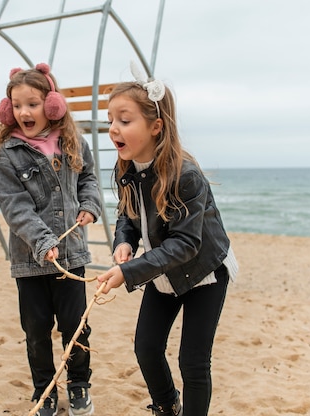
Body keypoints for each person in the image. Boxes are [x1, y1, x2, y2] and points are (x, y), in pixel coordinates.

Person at [96, 64, 238, 416]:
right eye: (111, 119)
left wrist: (129, 274)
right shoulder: (124, 167)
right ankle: (166, 405)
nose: (114, 128)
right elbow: (127, 214)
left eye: (125, 120)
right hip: (162, 269)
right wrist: (123, 242)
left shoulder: (184, 175)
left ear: (156, 126)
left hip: (205, 271)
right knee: (146, 347)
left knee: (192, 361)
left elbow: (186, 244)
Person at [0, 63, 101, 416]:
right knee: (36, 331)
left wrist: (89, 206)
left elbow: (89, 178)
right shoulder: (7, 154)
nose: (24, 112)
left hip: (72, 256)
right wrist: (42, 240)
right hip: (30, 260)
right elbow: (15, 207)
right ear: (8, 109)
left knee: (76, 327)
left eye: (33, 104)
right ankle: (44, 390)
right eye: (17, 105)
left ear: (51, 105)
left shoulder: (73, 141)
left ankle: (79, 385)